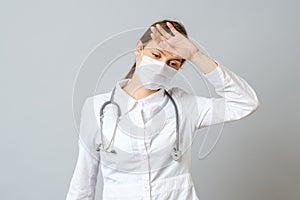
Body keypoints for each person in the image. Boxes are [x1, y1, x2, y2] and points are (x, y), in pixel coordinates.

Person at [66, 19, 260, 200]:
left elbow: (245, 102)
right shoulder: (95, 108)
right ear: (139, 49)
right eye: (156, 55)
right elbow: (83, 182)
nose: (161, 67)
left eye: (172, 63)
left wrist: (195, 56)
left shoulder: (186, 106)